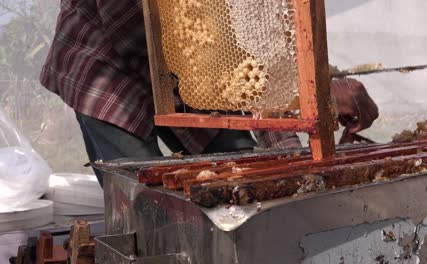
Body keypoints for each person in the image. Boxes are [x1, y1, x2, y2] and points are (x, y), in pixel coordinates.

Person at [40, 0, 378, 186]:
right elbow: (130, 26)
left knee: (244, 166)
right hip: (105, 63)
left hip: (187, 66)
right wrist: (306, 91)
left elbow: (266, 41)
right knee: (144, 196)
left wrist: (288, 161)